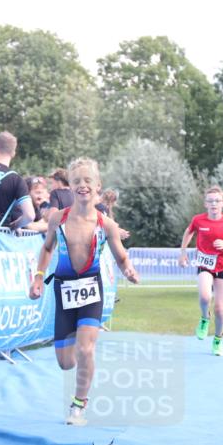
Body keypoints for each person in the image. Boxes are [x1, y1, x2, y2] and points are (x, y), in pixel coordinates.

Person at [28, 157, 139, 426]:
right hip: (64, 290)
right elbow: (46, 249)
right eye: (77, 181)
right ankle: (79, 356)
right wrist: (38, 277)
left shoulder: (106, 224)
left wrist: (129, 271)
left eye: (88, 181)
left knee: (86, 349)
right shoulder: (58, 218)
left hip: (92, 290)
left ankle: (78, 404)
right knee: (66, 363)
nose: (82, 185)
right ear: (70, 186)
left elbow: (121, 256)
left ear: (97, 186)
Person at [178, 186, 223, 357]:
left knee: (220, 309)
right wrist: (183, 253)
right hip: (205, 265)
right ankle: (205, 318)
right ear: (205, 204)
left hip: (222, 266)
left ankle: (218, 340)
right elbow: (188, 232)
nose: (214, 204)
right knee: (205, 296)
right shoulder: (198, 220)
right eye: (210, 201)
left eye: (217, 201)